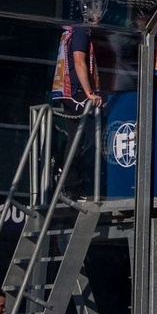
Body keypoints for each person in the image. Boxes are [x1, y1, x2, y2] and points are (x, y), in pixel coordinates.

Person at [50, 17, 101, 197]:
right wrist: (89, 92)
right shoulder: (80, 32)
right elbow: (79, 61)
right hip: (75, 92)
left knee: (76, 140)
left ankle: (71, 184)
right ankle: (77, 182)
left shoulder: (69, 32)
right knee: (96, 137)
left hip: (66, 92)